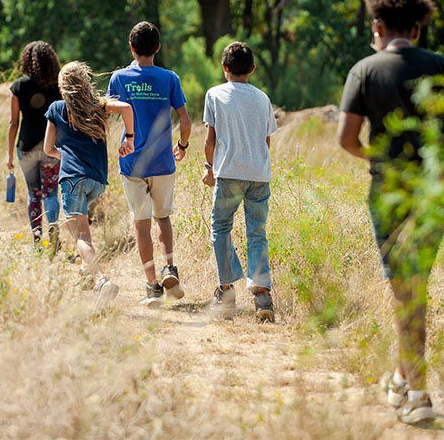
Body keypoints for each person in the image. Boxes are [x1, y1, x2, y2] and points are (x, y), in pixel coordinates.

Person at [337, 0, 444, 424]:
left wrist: (378, 157)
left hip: (390, 191)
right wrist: (441, 147)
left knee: (407, 292)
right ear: (417, 30)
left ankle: (418, 395)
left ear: (378, 26)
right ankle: (403, 379)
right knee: (414, 286)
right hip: (436, 190)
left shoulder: (364, 69)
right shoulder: (441, 64)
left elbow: (346, 140)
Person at [106, 21, 192, 307]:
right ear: (157, 47)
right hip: (163, 161)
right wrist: (182, 146)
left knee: (141, 225)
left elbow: (109, 115)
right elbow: (185, 120)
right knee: (163, 218)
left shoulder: (119, 78)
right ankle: (170, 268)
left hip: (132, 164)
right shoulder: (170, 78)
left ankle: (153, 286)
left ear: (131, 48)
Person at [44, 61, 135, 311]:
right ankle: (86, 272)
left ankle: (101, 280)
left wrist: (67, 155)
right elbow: (126, 107)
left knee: (81, 236)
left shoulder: (56, 109)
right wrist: (129, 138)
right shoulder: (99, 106)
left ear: (63, 89)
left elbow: (48, 149)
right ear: (85, 84)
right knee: (84, 230)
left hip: (72, 179)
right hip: (97, 181)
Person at [201, 42, 278, 323]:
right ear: (253, 70)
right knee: (257, 233)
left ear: (224, 69)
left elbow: (210, 139)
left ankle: (226, 290)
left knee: (221, 227)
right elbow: (266, 141)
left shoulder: (215, 95)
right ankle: (262, 296)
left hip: (229, 173)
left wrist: (209, 167)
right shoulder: (263, 99)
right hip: (259, 175)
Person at [8, 41, 62, 248]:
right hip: (52, 147)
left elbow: (14, 122)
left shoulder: (19, 86)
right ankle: (54, 234)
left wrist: (10, 155)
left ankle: (37, 241)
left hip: (27, 147)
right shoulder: (58, 85)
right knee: (50, 192)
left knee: (34, 194)